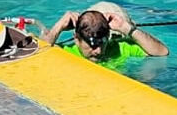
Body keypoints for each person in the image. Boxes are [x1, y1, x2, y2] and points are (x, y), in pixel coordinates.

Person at [41, 6, 170, 69]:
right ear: (76, 39)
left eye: (102, 43)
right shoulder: (66, 52)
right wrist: (59, 26)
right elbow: (36, 54)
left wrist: (128, 29)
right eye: (92, 45)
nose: (98, 51)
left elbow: (161, 53)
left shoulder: (120, 49)